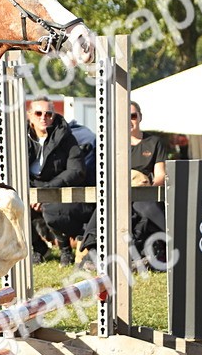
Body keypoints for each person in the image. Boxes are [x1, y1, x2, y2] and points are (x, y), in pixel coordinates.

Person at [77, 101, 168, 268]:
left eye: (133, 116)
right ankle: (92, 251)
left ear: (140, 117)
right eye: (124, 117)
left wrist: (150, 188)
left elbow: (161, 175)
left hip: (145, 192)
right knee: (104, 209)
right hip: (119, 192)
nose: (129, 120)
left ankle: (150, 253)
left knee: (144, 208)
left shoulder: (154, 142)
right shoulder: (113, 145)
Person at [26, 98, 94, 266]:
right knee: (12, 208)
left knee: (53, 209)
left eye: (49, 114)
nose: (44, 117)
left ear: (54, 116)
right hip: (31, 189)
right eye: (38, 113)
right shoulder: (20, 138)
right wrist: (31, 192)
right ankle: (38, 248)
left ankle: (65, 249)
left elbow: (76, 170)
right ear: (30, 116)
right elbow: (14, 168)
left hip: (59, 190)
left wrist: (47, 191)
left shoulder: (65, 136)